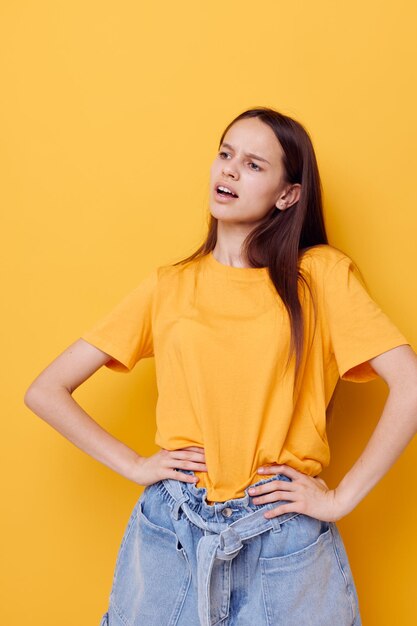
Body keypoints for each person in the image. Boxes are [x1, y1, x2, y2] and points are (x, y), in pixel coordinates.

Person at [24, 106, 417, 626]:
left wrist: (340, 499)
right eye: (226, 154)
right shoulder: (170, 285)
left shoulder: (319, 277)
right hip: (173, 528)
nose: (229, 170)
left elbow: (410, 384)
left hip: (282, 534)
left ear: (288, 194)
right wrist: (136, 466)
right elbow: (46, 390)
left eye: (254, 165)